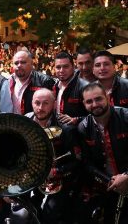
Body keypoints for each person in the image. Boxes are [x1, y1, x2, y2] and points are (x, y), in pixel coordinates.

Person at [25, 88, 81, 223]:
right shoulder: (25, 121)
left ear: (54, 104)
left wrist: (55, 171)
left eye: (45, 103)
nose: (40, 108)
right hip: (32, 177)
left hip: (58, 180)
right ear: (32, 103)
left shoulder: (66, 128)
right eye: (37, 103)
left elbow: (78, 161)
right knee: (28, 213)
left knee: (49, 216)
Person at [78, 82, 128, 223]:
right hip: (109, 186)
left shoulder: (125, 117)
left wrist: (126, 176)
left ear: (107, 97)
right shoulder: (84, 127)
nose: (94, 104)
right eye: (89, 101)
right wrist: (110, 181)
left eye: (98, 99)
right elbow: (87, 163)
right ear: (84, 104)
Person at [9, 50, 56, 115]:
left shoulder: (45, 81)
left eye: (23, 62)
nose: (19, 65)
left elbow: (53, 108)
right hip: (13, 123)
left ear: (31, 64)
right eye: (16, 63)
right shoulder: (8, 81)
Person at [53, 51, 88, 125]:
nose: (61, 70)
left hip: (77, 133)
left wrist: (76, 120)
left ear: (73, 67)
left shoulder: (85, 87)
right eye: (58, 67)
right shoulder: (54, 86)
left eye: (65, 66)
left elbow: (96, 115)